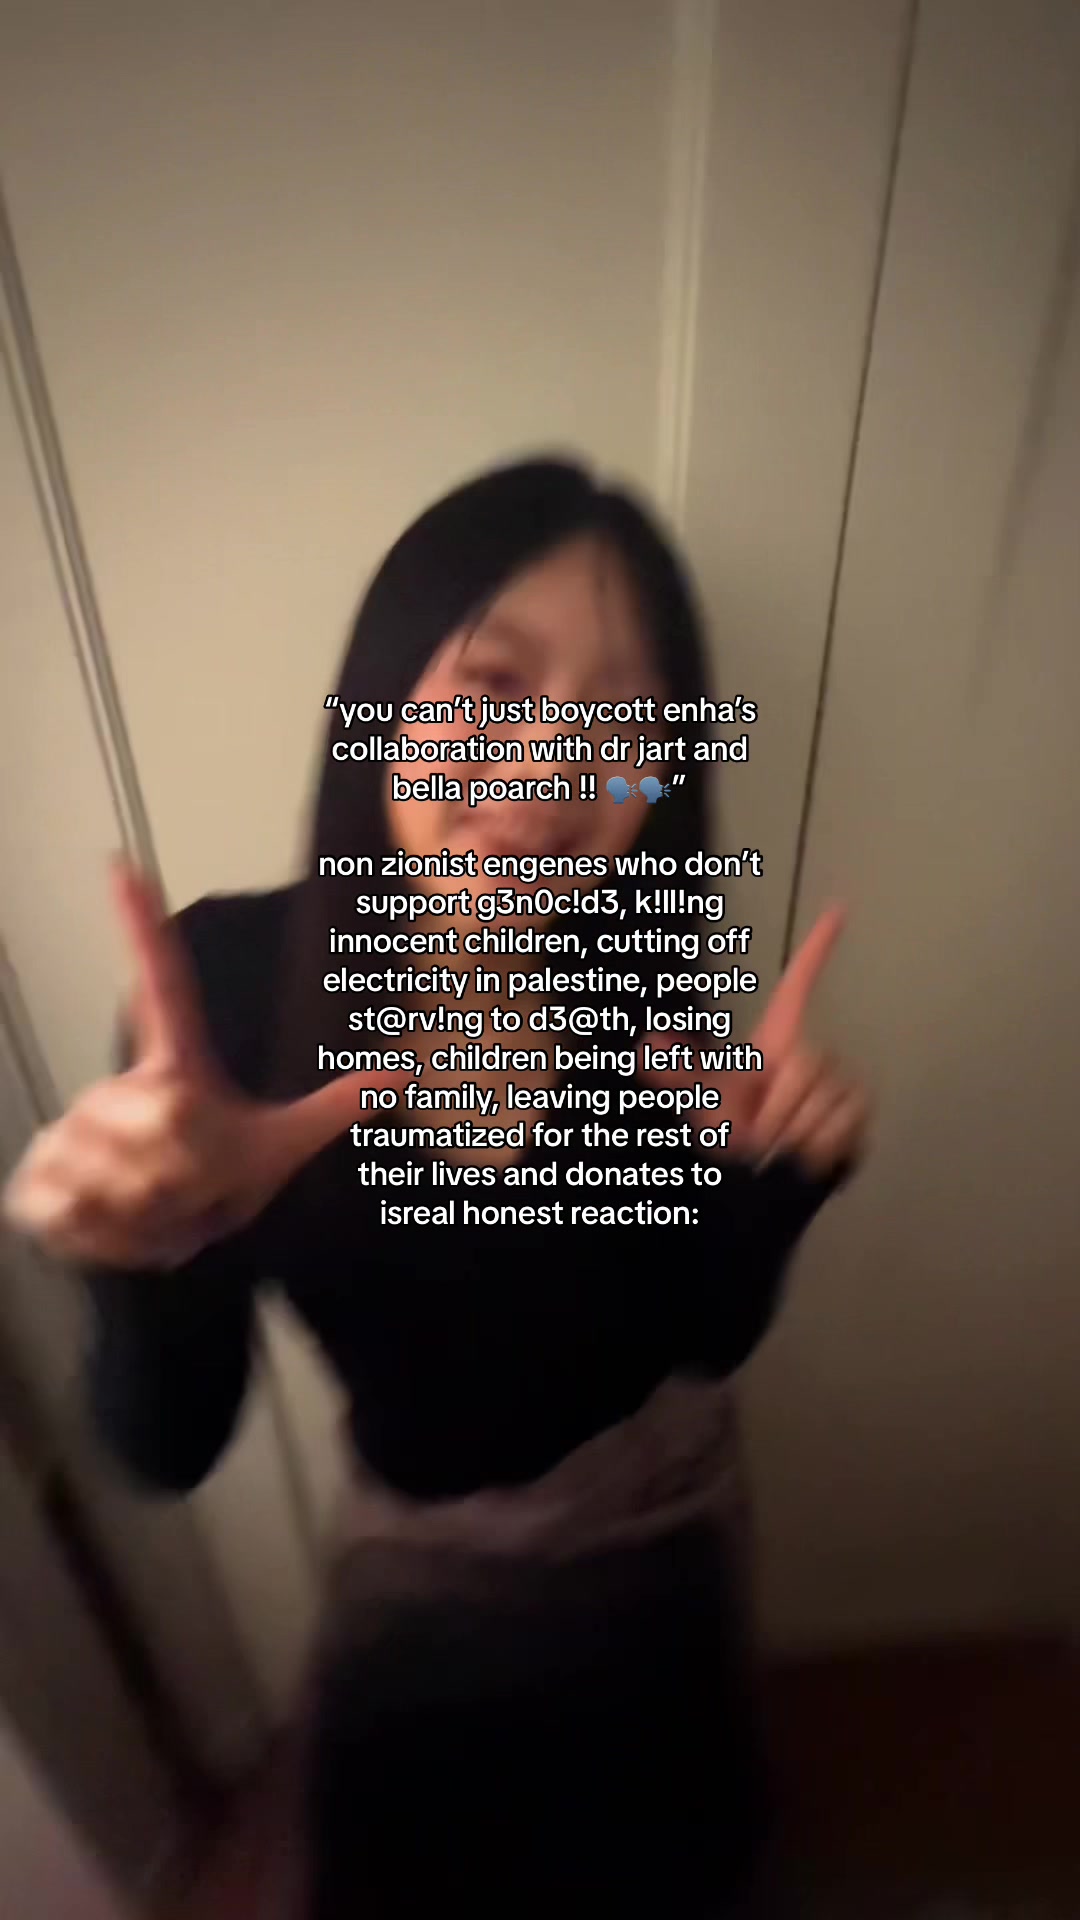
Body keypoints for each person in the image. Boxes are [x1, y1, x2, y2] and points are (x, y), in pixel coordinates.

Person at [3, 457, 868, 1917]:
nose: (554, 768)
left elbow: (708, 1335)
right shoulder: (227, 997)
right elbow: (171, 1447)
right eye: (496, 687)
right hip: (418, 1564)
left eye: (626, 723)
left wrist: (778, 1181)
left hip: (661, 1524)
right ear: (383, 702)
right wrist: (136, 1265)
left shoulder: (645, 996)